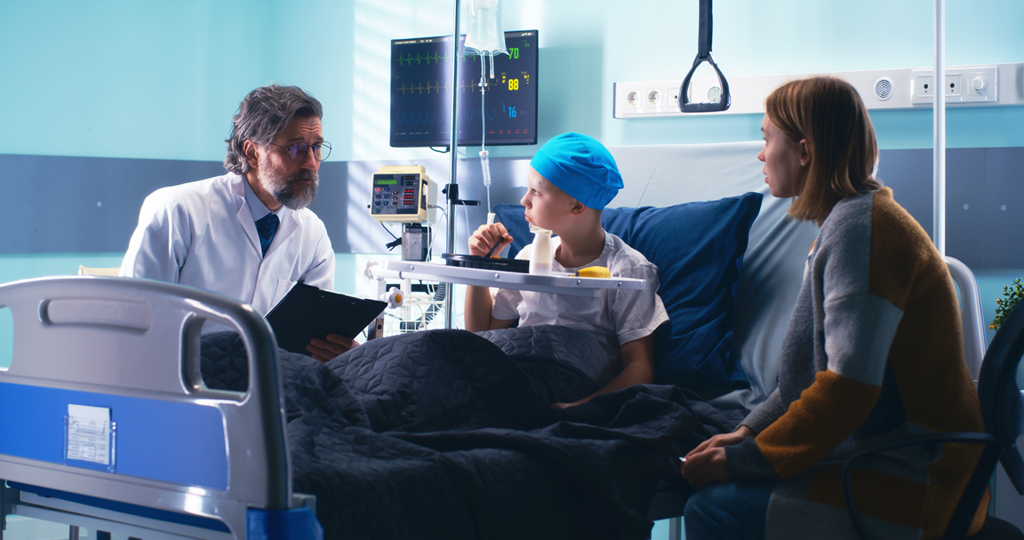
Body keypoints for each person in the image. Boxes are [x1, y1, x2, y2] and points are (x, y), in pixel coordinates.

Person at [680, 77, 987, 540]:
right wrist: (746, 433)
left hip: (916, 480)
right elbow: (801, 380)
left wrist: (749, 460)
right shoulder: (852, 220)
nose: (760, 155)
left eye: (767, 139)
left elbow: (847, 387)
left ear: (804, 151)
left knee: (712, 509)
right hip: (892, 457)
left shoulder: (861, 233)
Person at [120, 84, 353, 361]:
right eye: (297, 149)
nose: (311, 163)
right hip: (184, 383)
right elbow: (134, 320)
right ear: (253, 152)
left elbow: (315, 333)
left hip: (275, 386)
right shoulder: (178, 210)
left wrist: (340, 350)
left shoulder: (313, 234)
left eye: (316, 148)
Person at [464, 132, 669, 408]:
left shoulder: (627, 269)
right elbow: (480, 335)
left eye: (536, 191)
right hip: (514, 367)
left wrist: (579, 408)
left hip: (568, 379)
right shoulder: (528, 257)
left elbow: (640, 368)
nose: (524, 201)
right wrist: (480, 263)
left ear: (576, 205)